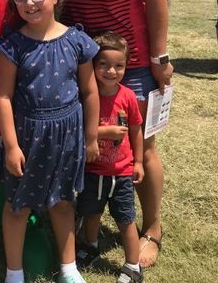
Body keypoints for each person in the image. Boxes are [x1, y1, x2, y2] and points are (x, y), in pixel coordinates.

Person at [46, 0, 173, 268]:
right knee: (88, 143)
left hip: (130, 65)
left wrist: (160, 57)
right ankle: (91, 217)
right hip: (78, 68)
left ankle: (152, 227)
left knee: (141, 145)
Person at [0, 0, 100, 283]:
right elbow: (3, 97)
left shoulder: (77, 41)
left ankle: (69, 268)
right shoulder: (13, 45)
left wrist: (92, 136)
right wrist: (11, 146)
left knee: (64, 203)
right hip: (28, 138)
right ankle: (14, 272)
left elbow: (90, 90)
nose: (28, 3)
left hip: (68, 136)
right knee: (17, 207)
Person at [76, 32, 144, 283]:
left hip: (122, 172)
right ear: (93, 65)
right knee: (91, 212)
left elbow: (136, 128)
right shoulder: (85, 97)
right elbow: (81, 129)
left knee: (126, 219)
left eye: (119, 66)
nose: (111, 71)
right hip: (93, 170)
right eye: (103, 64)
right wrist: (104, 132)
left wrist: (137, 162)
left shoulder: (127, 96)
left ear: (126, 67)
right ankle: (90, 246)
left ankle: (133, 265)